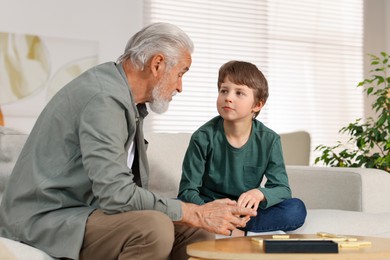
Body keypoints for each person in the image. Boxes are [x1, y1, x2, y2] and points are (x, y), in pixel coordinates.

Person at [0, 23, 257, 260]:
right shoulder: (103, 99)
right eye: (180, 74)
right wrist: (192, 211)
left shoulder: (127, 100)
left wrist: (193, 218)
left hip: (84, 211)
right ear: (157, 64)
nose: (180, 87)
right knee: (154, 228)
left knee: (195, 233)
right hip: (45, 217)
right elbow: (116, 194)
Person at [178, 60, 307, 237]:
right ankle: (237, 230)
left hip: (245, 210)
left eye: (239, 93)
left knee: (295, 209)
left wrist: (259, 193)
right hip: (209, 206)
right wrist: (208, 212)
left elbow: (282, 188)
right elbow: (187, 190)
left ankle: (234, 230)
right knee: (171, 207)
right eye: (224, 90)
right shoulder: (202, 137)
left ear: (257, 105)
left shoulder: (269, 140)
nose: (228, 97)